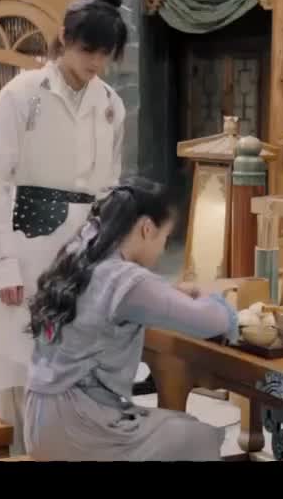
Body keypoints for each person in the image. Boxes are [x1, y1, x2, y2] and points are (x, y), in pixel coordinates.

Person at [0, 0, 129, 455]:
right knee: (21, 357)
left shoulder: (111, 105)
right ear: (64, 37)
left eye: (104, 54)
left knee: (75, 355)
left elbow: (110, 189)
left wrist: (108, 256)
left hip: (84, 249)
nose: (95, 63)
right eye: (87, 50)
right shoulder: (22, 95)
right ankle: (19, 451)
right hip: (27, 239)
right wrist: (3, 264)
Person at [23, 177, 239, 461]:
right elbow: (211, 321)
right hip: (76, 424)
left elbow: (126, 299)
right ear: (147, 229)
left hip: (40, 417)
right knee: (196, 436)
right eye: (164, 237)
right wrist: (217, 300)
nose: (162, 249)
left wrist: (170, 295)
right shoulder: (123, 278)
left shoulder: (80, 252)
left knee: (179, 425)